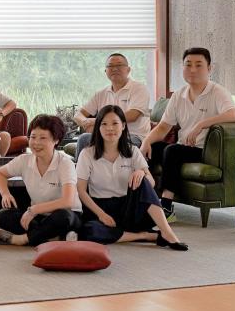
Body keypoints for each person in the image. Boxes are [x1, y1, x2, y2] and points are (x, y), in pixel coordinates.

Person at [140, 47, 235, 219]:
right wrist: (146, 142)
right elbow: (163, 126)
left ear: (209, 68)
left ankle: (166, 207)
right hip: (184, 148)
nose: (193, 69)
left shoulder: (217, 92)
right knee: (153, 148)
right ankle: (146, 201)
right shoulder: (179, 95)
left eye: (199, 65)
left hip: (204, 151)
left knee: (172, 151)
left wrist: (201, 124)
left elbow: (233, 115)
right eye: (188, 64)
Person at [76, 105, 188, 250]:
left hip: (128, 208)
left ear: (123, 126)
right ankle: (146, 236)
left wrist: (142, 173)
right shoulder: (87, 154)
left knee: (143, 180)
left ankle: (167, 233)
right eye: (104, 124)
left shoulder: (133, 150)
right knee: (88, 231)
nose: (110, 128)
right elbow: (81, 190)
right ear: (98, 127)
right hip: (100, 207)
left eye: (115, 123)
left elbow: (151, 183)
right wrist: (101, 214)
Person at [0, 115, 81, 247]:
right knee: (3, 215)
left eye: (43, 138)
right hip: (39, 215)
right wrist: (5, 194)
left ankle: (21, 239)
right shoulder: (24, 160)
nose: (36, 143)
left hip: (68, 214)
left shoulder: (65, 163)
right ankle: (52, 237)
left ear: (56, 140)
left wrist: (34, 209)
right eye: (33, 137)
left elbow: (67, 201)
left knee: (63, 217)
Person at [72, 53, 151, 161]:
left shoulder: (139, 89)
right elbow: (78, 114)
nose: (114, 69)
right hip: (106, 134)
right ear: (106, 71)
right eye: (110, 66)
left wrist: (96, 122)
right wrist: (85, 122)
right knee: (84, 139)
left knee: (115, 143)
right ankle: (80, 172)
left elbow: (133, 115)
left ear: (128, 70)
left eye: (119, 65)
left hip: (132, 136)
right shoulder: (101, 93)